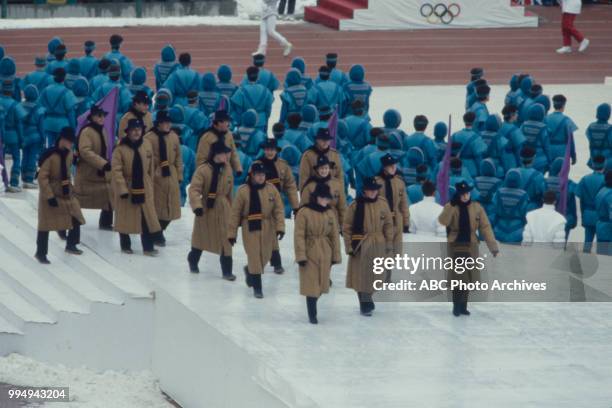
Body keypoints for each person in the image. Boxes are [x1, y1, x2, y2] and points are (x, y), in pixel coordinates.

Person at [438, 181, 499, 317]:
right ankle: (456, 305)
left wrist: (493, 247)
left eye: (467, 193)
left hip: (471, 245)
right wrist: (451, 206)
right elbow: (443, 221)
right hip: (456, 245)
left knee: (468, 277)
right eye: (462, 194)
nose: (465, 196)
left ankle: (463, 306)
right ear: (458, 194)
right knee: (458, 277)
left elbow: (485, 227)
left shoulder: (477, 208)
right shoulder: (451, 206)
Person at [228, 162, 285, 299]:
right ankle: (257, 288)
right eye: (258, 175)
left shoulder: (271, 189)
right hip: (250, 226)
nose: (261, 177)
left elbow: (278, 210)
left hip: (267, 226)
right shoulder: (243, 191)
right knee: (254, 256)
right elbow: (235, 213)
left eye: (263, 175)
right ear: (252, 175)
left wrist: (280, 227)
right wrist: (232, 233)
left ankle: (250, 271)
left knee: (264, 256)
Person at [343, 177, 394, 316]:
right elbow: (347, 228)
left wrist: (389, 243)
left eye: (374, 190)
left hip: (378, 243)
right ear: (364, 191)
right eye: (370, 190)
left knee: (377, 275)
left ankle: (368, 297)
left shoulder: (383, 204)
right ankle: (365, 303)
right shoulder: (355, 206)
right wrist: (349, 246)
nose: (372, 193)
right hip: (361, 244)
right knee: (362, 276)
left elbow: (389, 225)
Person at [111, 118, 162, 256]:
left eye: (139, 130)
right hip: (127, 186)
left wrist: (150, 183)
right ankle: (125, 244)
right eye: (133, 130)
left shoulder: (146, 144)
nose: (136, 132)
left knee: (146, 217)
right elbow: (116, 171)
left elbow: (151, 166)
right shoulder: (120, 149)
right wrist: (122, 188)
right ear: (127, 132)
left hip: (143, 185)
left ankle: (148, 247)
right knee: (125, 216)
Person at [35, 127, 86, 264]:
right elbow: (42, 178)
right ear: (62, 140)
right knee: (45, 225)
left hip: (66, 193)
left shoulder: (69, 154)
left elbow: (68, 171)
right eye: (69, 141)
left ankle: (71, 244)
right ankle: (41, 253)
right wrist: (49, 196)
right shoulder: (50, 156)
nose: (71, 144)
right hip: (50, 194)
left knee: (76, 217)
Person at [188, 141, 236, 280]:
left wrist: (233, 212)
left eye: (227, 153)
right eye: (224, 153)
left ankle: (227, 271)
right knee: (201, 238)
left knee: (226, 241)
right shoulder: (203, 170)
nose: (227, 156)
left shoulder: (227, 169)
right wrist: (197, 206)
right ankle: (193, 260)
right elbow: (194, 189)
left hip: (223, 208)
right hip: (206, 209)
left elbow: (229, 192)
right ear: (216, 154)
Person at [294, 183, 341, 324]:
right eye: (323, 198)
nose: (325, 201)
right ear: (316, 197)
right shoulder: (304, 212)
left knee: (321, 284)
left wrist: (335, 255)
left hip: (325, 250)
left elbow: (334, 236)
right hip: (310, 249)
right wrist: (301, 255)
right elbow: (299, 235)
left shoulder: (329, 213)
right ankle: (312, 313)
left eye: (327, 198)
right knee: (311, 284)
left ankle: (313, 303)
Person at [254, 138, 299, 274]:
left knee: (272, 231)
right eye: (267, 149)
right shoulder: (257, 164)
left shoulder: (283, 165)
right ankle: (262, 261)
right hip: (259, 202)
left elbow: (290, 186)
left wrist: (296, 206)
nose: (269, 152)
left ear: (276, 150)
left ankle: (275, 261)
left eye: (272, 149)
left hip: (275, 203)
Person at [143, 110, 183, 247]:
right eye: (164, 123)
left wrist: (179, 174)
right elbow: (146, 157)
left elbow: (178, 156)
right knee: (156, 206)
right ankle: (156, 233)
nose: (167, 125)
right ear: (158, 124)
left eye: (168, 122)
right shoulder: (149, 138)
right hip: (156, 174)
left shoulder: (173, 137)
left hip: (170, 173)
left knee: (171, 206)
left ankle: (159, 229)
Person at [74, 105, 114, 230]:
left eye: (103, 116)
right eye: (99, 116)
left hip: (100, 173)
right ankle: (70, 222)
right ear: (92, 117)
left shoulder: (102, 130)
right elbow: (85, 151)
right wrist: (102, 163)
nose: (102, 118)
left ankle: (106, 222)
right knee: (78, 200)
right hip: (88, 173)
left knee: (108, 197)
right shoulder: (87, 132)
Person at [375, 154, 410, 252]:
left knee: (397, 251)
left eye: (394, 165)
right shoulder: (377, 182)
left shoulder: (399, 182)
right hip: (381, 220)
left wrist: (406, 222)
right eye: (391, 166)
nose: (394, 168)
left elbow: (403, 204)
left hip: (396, 220)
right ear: (384, 167)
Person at [300, 155, 347, 227]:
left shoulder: (337, 184)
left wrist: (343, 225)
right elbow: (303, 208)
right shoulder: (310, 186)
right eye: (321, 168)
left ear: (329, 169)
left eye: (326, 168)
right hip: (314, 224)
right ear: (317, 169)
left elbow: (342, 207)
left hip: (333, 223)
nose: (324, 171)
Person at [196, 110, 242, 176]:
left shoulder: (228, 135)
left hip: (225, 172)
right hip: (210, 173)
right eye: (226, 122)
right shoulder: (207, 137)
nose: (228, 124)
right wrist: (202, 174)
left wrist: (238, 168)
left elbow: (233, 152)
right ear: (219, 122)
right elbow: (201, 158)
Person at [39, 68, 77, 148]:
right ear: (64, 77)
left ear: (53, 77)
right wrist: (73, 129)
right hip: (63, 126)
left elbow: (41, 109)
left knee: (50, 148)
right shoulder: (67, 92)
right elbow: (71, 114)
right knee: (62, 150)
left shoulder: (45, 90)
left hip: (48, 123)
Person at [576, 155, 606, 253]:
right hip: (601, 217)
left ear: (592, 165)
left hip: (587, 214)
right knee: (602, 245)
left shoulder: (584, 179)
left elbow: (579, 197)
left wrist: (582, 214)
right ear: (604, 165)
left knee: (587, 242)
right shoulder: (607, 181)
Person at [0, 79, 25, 192]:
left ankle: (3, 181)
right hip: (13, 134)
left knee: (1, 159)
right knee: (16, 158)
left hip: (1, 135)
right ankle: (14, 182)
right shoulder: (16, 105)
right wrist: (21, 138)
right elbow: (19, 124)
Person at [18, 85, 45, 189]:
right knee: (32, 156)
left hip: (24, 136)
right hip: (35, 137)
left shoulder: (20, 106)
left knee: (24, 156)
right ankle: (29, 179)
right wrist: (42, 137)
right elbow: (41, 126)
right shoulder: (40, 109)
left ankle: (23, 177)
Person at [231, 67, 274, 132]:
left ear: (247, 77)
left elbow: (238, 110)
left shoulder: (241, 91)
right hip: (261, 122)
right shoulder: (266, 90)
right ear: (258, 77)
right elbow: (268, 108)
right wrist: (265, 118)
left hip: (245, 122)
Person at [492, 169, 529, 243]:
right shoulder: (524, 194)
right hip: (517, 230)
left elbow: (494, 210)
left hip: (499, 229)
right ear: (519, 180)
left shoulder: (499, 192)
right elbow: (524, 214)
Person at [451, 111, 487, 177]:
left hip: (454, 168)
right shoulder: (476, 138)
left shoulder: (455, 135)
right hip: (471, 170)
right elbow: (478, 157)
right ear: (474, 121)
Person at [546, 94, 577, 163]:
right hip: (562, 151)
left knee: (551, 172)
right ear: (563, 105)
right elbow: (570, 140)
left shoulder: (546, 118)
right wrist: (573, 155)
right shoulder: (567, 120)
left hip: (549, 150)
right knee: (562, 172)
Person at [585, 103, 611, 168]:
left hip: (594, 160)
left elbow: (589, 138)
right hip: (608, 162)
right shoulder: (610, 129)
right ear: (608, 114)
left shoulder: (590, 127)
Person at [595, 171, 612, 255]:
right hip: (609, 230)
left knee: (601, 256)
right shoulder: (610, 195)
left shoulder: (602, 191)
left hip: (600, 226)